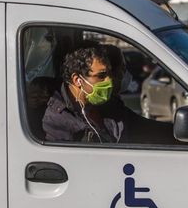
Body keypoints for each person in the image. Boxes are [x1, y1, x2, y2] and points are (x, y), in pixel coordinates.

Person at [41, 46, 177, 144]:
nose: (109, 81)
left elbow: (145, 128)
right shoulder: (55, 120)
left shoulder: (109, 106)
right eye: (101, 76)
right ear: (78, 80)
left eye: (109, 74)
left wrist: (181, 134)